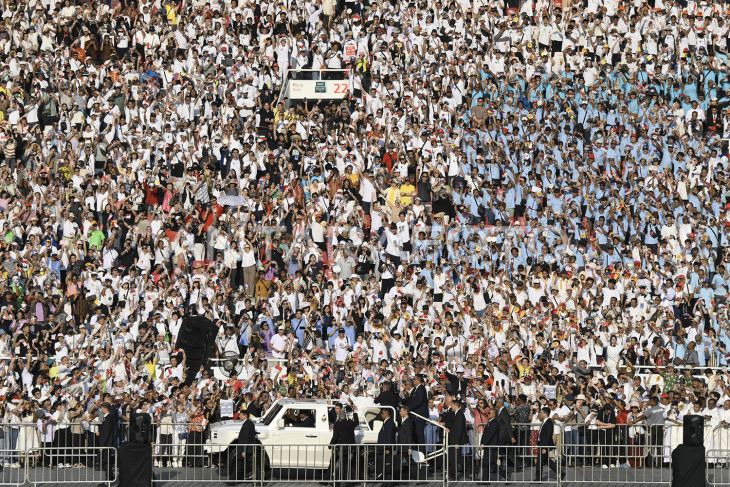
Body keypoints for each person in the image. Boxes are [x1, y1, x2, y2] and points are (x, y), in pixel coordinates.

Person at [329, 398, 359, 486]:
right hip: (348, 448)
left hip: (340, 447)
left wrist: (331, 445)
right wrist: (355, 412)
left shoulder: (338, 424)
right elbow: (356, 421)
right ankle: (349, 482)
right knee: (347, 465)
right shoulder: (350, 423)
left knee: (341, 466)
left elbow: (335, 436)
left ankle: (338, 483)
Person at [228, 405, 257, 484]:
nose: (239, 416)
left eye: (240, 415)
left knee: (239, 465)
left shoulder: (248, 424)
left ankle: (232, 481)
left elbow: (246, 438)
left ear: (245, 415)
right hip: (245, 449)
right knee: (241, 465)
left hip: (245, 449)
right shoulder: (248, 423)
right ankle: (234, 480)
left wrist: (244, 450)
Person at [536, 407, 565, 481]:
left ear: (545, 414)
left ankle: (538, 478)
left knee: (539, 462)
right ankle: (561, 473)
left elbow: (548, 435)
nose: (540, 414)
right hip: (541, 444)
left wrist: (545, 448)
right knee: (546, 461)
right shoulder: (545, 421)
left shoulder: (548, 422)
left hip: (544, 445)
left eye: (541, 413)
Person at [480, 406, 506, 481]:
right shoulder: (490, 422)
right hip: (488, 446)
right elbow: (485, 434)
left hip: (491, 446)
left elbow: (490, 434)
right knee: (487, 463)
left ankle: (504, 474)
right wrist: (482, 443)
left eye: (490, 413)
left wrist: (484, 443)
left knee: (491, 464)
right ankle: (485, 480)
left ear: (494, 414)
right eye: (488, 413)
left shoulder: (494, 423)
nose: (488, 414)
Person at [446, 398, 467, 481]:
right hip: (454, 440)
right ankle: (452, 474)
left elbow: (459, 429)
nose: (451, 406)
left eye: (452, 405)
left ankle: (454, 475)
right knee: (454, 458)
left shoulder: (459, 414)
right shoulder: (456, 414)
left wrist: (457, 442)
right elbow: (454, 426)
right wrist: (448, 428)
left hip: (457, 441)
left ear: (455, 405)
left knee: (455, 458)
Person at [376, 408, 397, 487]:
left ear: (386, 414)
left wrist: (387, 448)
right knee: (386, 465)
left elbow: (389, 436)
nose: (381, 415)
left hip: (386, 449)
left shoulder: (389, 423)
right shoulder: (387, 422)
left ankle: (388, 482)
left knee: (387, 465)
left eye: (382, 413)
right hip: (385, 448)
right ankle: (386, 482)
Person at [96, 403, 116, 484]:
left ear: (105, 408)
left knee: (106, 462)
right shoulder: (108, 417)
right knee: (106, 462)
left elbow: (106, 432)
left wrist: (102, 444)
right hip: (107, 443)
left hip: (106, 444)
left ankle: (109, 480)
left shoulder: (108, 418)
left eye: (101, 408)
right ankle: (109, 479)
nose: (101, 410)